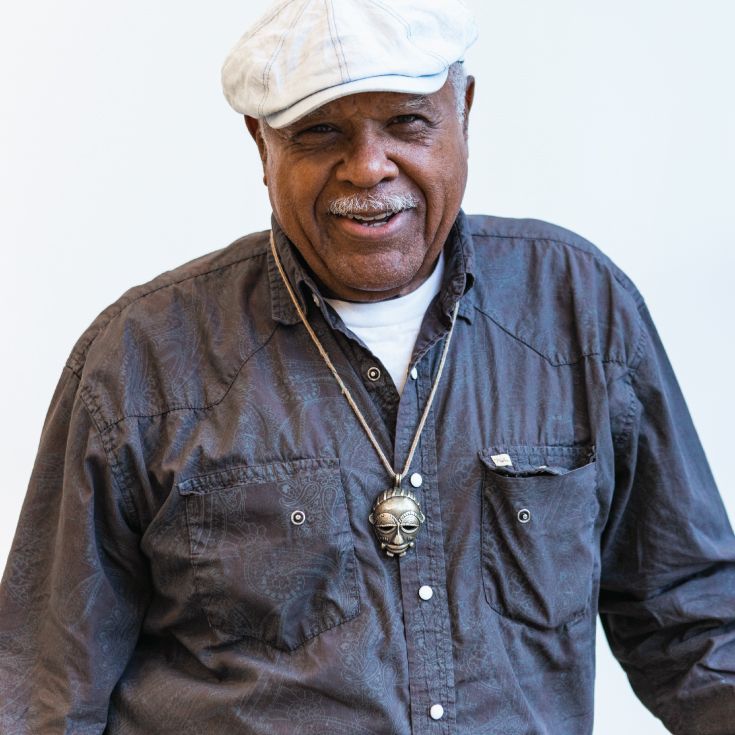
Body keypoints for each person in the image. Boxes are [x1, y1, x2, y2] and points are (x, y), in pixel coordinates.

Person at [1, 0, 734, 732]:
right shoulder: (141, 362)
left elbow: (692, 627)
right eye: (322, 132)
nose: (369, 165)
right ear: (261, 143)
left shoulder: (579, 311)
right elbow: (42, 691)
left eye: (407, 123)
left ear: (464, 109)